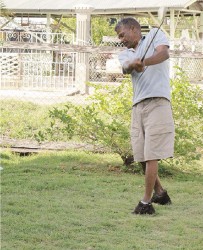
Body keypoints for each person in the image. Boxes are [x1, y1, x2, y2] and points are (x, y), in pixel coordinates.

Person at [115, 17, 175, 215]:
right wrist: (134, 64)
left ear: (133, 28)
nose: (121, 39)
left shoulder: (155, 35)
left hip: (158, 102)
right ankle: (160, 193)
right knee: (141, 154)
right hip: (137, 106)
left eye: (122, 34)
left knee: (151, 154)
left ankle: (146, 203)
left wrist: (145, 62)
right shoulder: (125, 53)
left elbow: (164, 53)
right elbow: (125, 68)